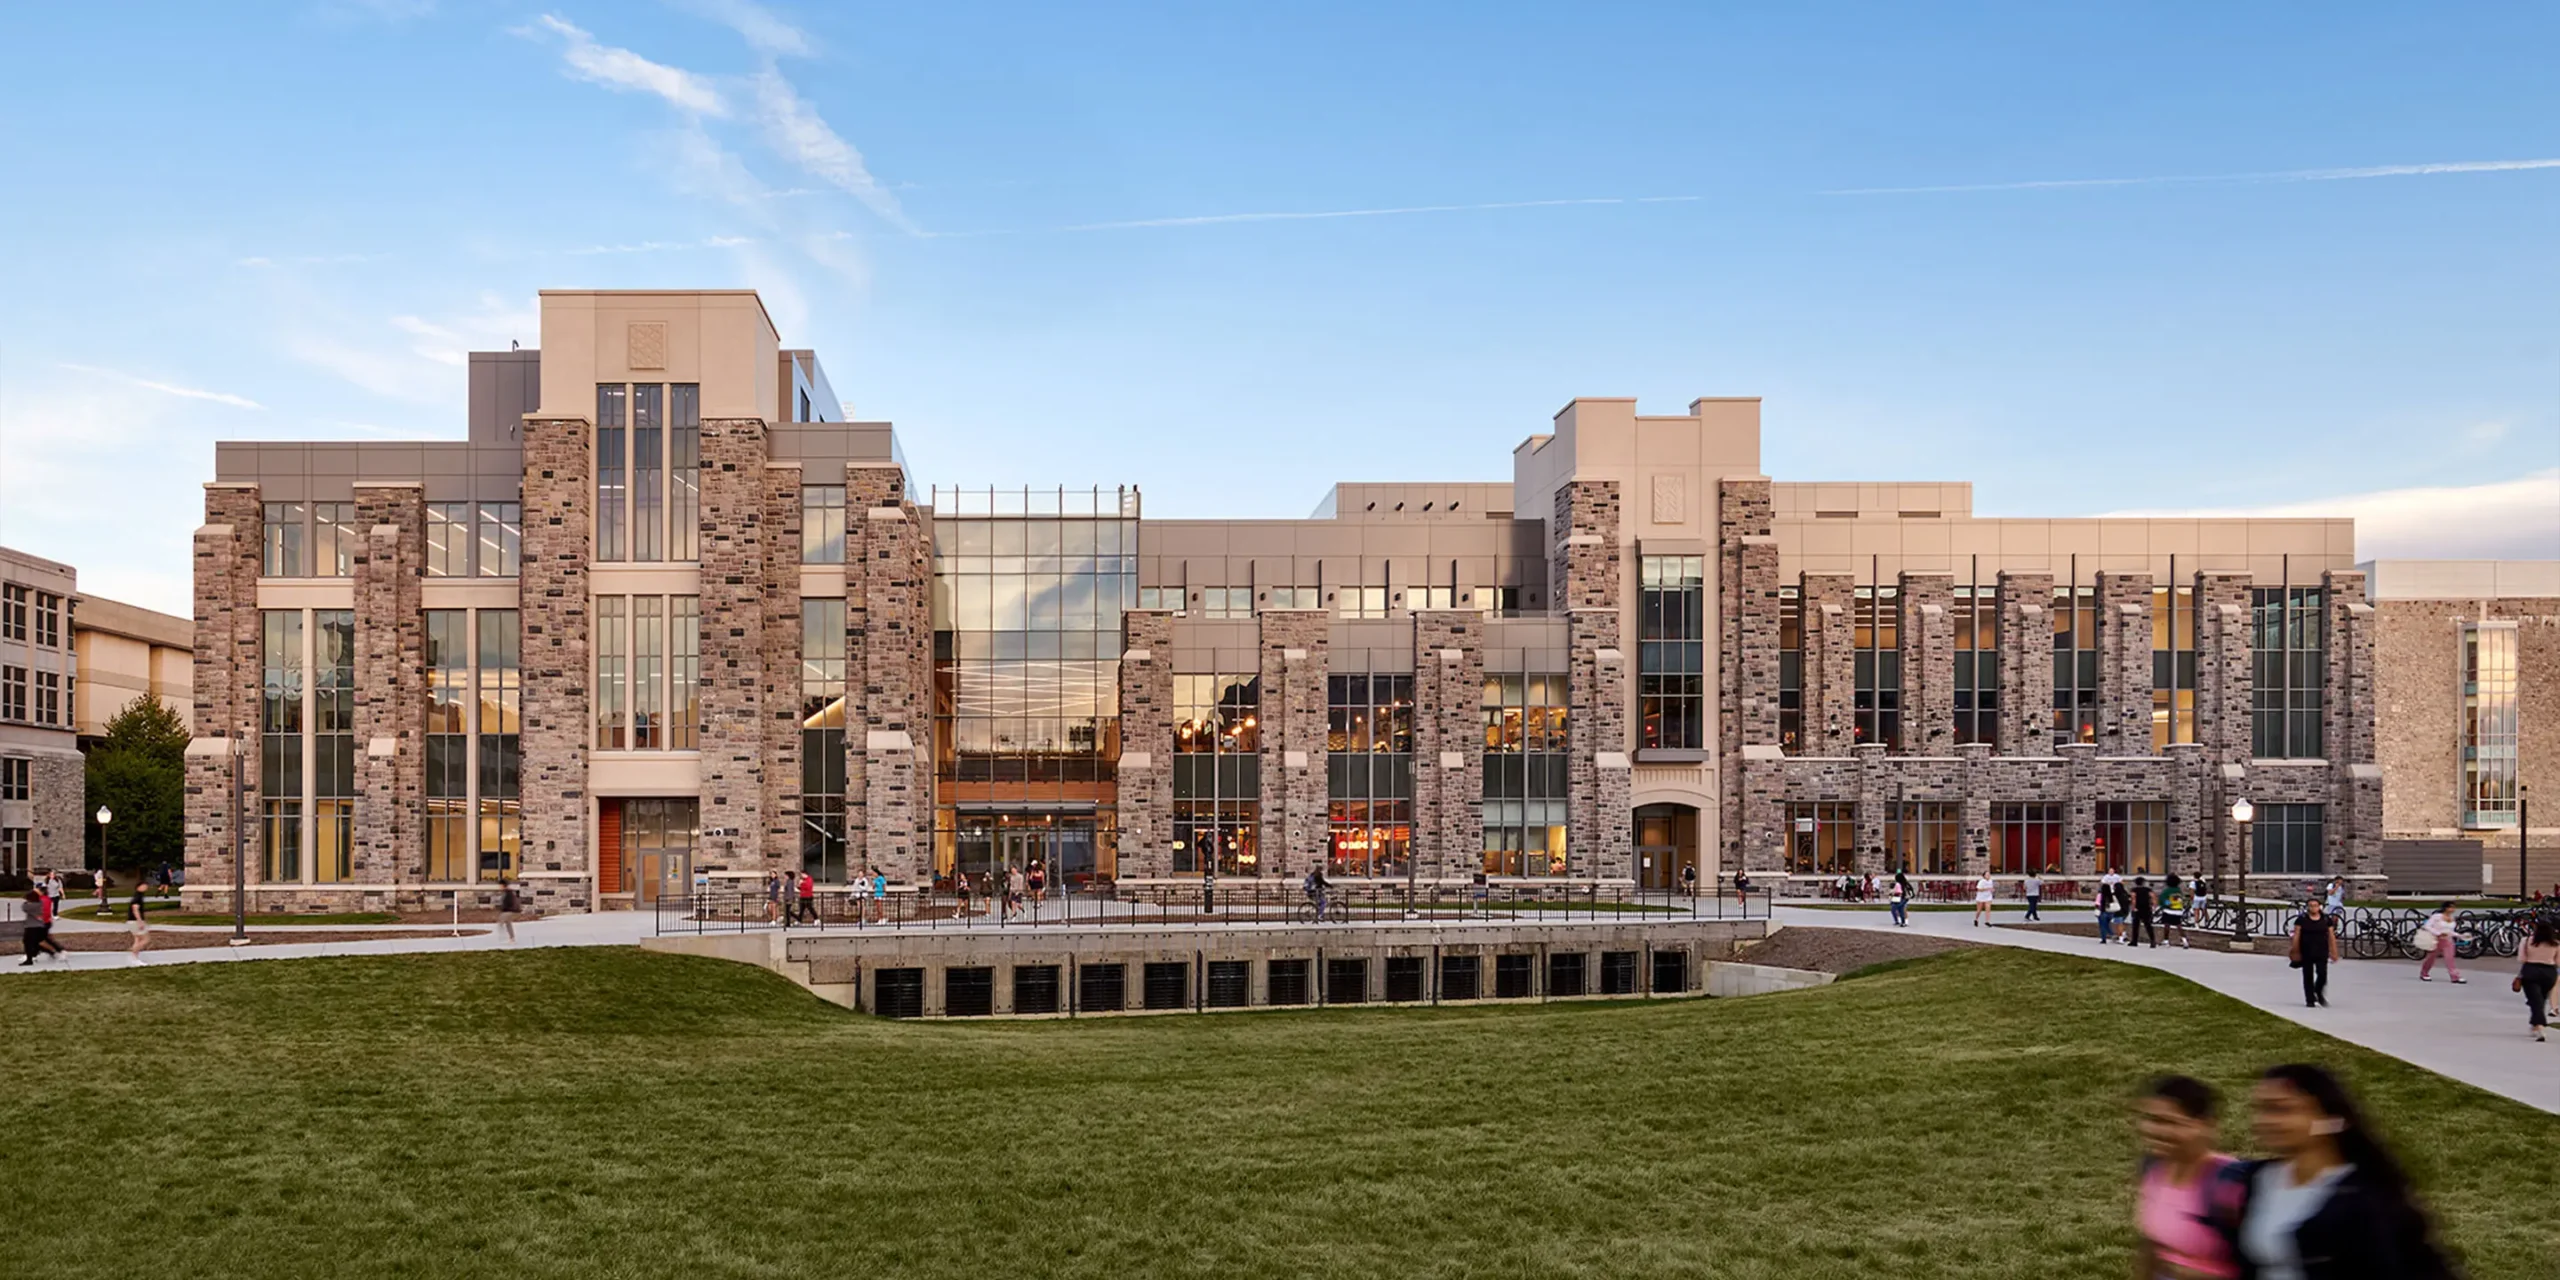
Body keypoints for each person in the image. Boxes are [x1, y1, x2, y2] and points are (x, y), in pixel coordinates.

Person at [2233, 1063, 2458, 1279]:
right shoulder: (2259, 1178)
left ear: (2330, 1120)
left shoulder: (2366, 1198)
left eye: (2282, 1109)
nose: (2264, 1121)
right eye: (2261, 1109)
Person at [2132, 1075, 2245, 1280]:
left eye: (2169, 1122)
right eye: (2151, 1119)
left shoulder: (2232, 1182)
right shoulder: (2153, 1167)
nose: (2157, 1130)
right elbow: (2152, 1245)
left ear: (2204, 1125)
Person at [2290, 899, 2340, 1008]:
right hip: (2306, 950)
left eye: (2315, 906)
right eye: (2311, 906)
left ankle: (2318, 991)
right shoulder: (2302, 919)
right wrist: (2295, 950)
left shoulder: (2326, 919)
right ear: (2308, 907)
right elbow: (2296, 935)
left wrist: (2334, 951)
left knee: (2322, 974)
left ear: (2320, 907)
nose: (2313, 908)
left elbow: (2331, 936)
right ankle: (2310, 999)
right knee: (2308, 975)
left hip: (2322, 950)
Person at [2515, 916, 2558, 1042]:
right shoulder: (2555, 944)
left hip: (2531, 970)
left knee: (2535, 1000)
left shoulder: (2527, 940)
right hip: (2549, 972)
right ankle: (2535, 1024)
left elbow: (2521, 959)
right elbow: (2558, 961)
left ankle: (2540, 1025)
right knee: (2541, 999)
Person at [2415, 905, 2464, 984]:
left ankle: (2455, 976)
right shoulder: (2437, 917)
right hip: (2436, 940)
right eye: (2450, 907)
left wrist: (2460, 935)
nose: (2453, 909)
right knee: (2431, 957)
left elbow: (2450, 931)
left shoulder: (2452, 919)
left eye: (2454, 908)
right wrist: (2438, 933)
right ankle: (2424, 973)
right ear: (2446, 908)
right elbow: (2427, 926)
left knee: (2450, 958)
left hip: (2448, 940)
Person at [20, 887, 62, 964]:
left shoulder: (32, 906)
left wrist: (27, 902)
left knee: (28, 942)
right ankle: (51, 952)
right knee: (36, 942)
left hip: (32, 926)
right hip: (39, 925)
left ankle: (30, 959)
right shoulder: (40, 903)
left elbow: (24, 907)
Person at [2160, 877, 2193, 950]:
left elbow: (2163, 900)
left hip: (2168, 910)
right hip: (2178, 910)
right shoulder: (2179, 891)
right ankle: (2184, 940)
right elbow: (2181, 900)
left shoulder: (2167, 891)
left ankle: (2166, 940)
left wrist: (2167, 904)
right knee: (2179, 926)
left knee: (2167, 925)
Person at [2129, 877, 2158, 948]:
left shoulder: (2134, 890)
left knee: (2135, 925)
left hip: (2138, 909)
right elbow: (2154, 897)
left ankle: (2134, 941)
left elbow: (2133, 899)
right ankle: (2152, 940)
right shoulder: (2148, 890)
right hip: (2146, 908)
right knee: (2148, 925)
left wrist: (2133, 907)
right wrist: (2154, 906)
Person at [125, 887, 151, 962]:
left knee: (138, 939)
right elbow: (135, 909)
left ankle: (135, 958)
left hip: (132, 921)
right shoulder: (137, 898)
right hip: (135, 922)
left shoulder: (137, 897)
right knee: (145, 939)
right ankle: (133, 955)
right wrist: (140, 921)